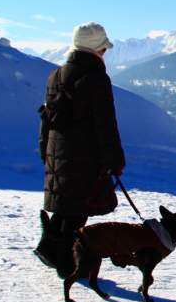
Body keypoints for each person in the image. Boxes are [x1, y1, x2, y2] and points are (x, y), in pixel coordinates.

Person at [35, 22, 126, 276]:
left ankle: (51, 249)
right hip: (85, 158)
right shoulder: (96, 79)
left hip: (58, 154)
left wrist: (45, 151)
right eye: (104, 49)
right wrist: (115, 160)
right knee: (77, 214)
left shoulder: (55, 75)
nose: (104, 54)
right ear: (97, 49)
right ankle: (67, 265)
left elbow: (47, 119)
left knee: (67, 209)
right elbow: (106, 125)